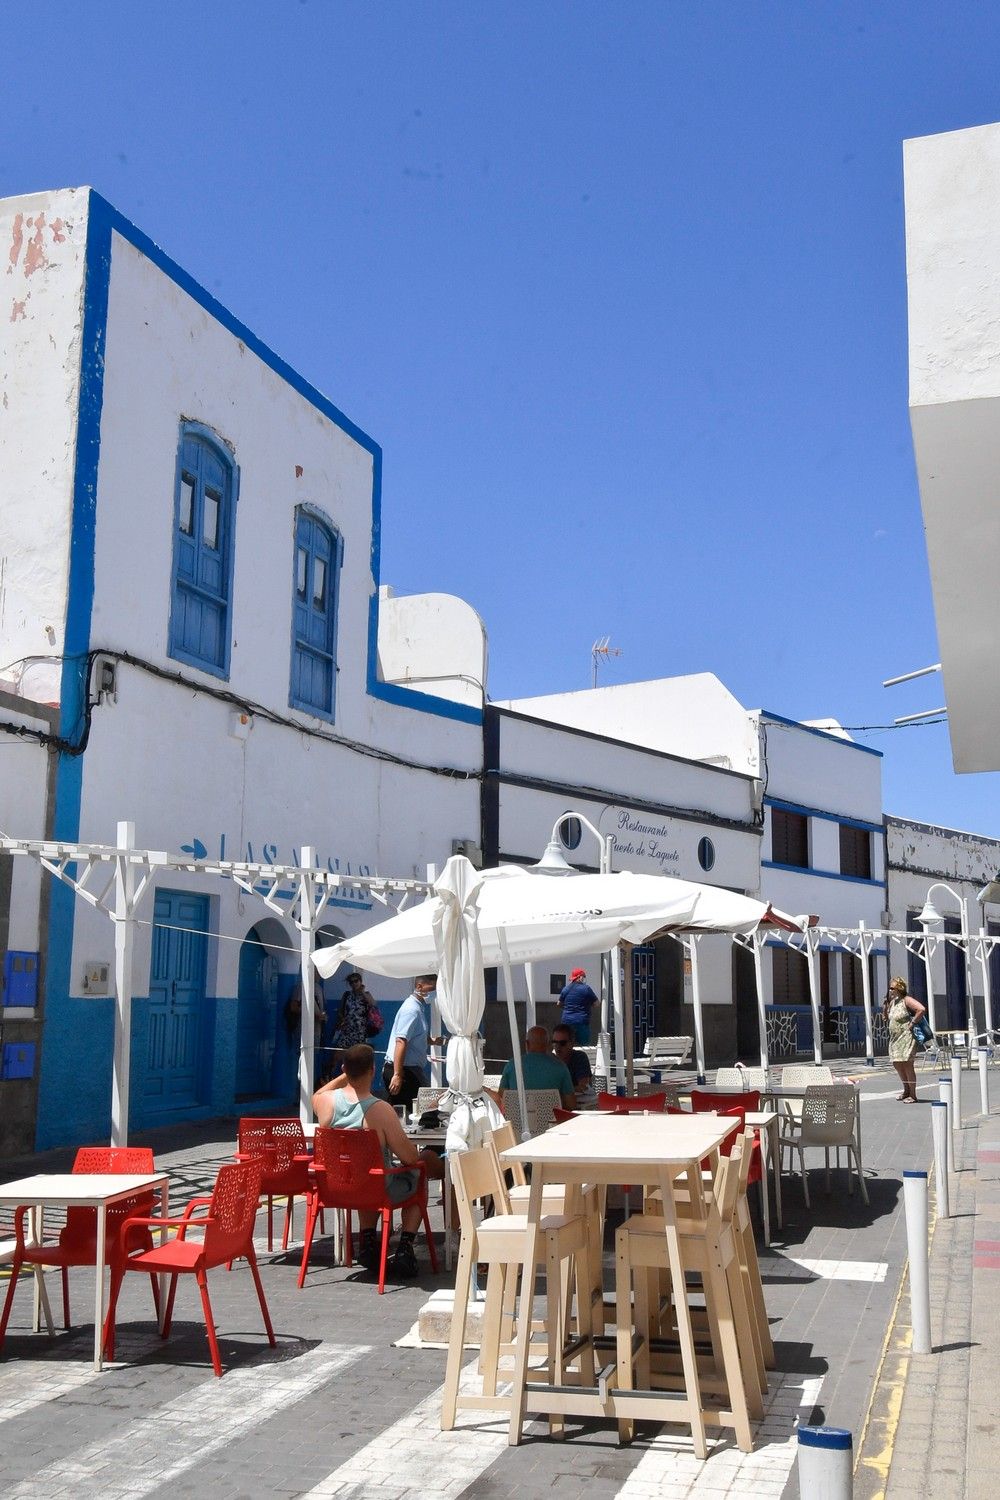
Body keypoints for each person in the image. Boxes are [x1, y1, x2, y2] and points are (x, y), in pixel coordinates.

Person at [312, 1043, 444, 1276]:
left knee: (366, 1175)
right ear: (373, 1070)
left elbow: (318, 1094)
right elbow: (410, 1157)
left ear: (345, 1069)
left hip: (335, 1188)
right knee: (417, 1173)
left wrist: (346, 1074)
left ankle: (369, 1241)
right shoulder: (381, 1110)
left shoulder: (326, 1103)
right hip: (375, 1188)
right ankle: (404, 1247)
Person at [382, 974, 441, 1111]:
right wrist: (397, 1075)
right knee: (428, 1111)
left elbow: (414, 1037)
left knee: (409, 1111)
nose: (435, 992)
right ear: (419, 987)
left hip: (408, 1069)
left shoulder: (418, 1007)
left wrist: (433, 1041)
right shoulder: (411, 1010)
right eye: (433, 988)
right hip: (404, 1070)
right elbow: (401, 1041)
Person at [500, 1025, 576, 1110]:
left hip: (518, 1121)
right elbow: (571, 1105)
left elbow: (502, 1099)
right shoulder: (561, 1067)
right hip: (552, 1121)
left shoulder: (512, 1065)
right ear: (547, 1044)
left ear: (527, 1044)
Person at [883, 975, 926, 1102]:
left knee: (907, 1064)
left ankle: (913, 1094)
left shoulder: (906, 1000)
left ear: (899, 989)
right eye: (890, 988)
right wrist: (885, 1006)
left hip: (906, 1037)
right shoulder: (892, 1002)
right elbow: (885, 1018)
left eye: (892, 988)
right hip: (895, 1039)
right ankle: (906, 1090)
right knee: (897, 1064)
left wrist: (912, 1023)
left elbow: (921, 1009)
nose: (890, 990)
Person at [328, 972, 376, 1076]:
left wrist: (362, 992)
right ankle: (328, 1077)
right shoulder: (347, 995)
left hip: (360, 1032)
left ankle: (356, 1080)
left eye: (356, 981)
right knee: (336, 1056)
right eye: (351, 982)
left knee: (358, 1058)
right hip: (347, 1030)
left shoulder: (366, 995)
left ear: (360, 981)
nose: (354, 984)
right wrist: (342, 1020)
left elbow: (373, 1004)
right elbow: (341, 1010)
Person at [551, 1023, 594, 1102]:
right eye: (554, 1042)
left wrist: (557, 1091)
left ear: (572, 1043)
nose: (557, 1046)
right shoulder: (551, 1060)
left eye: (562, 1043)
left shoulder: (579, 1057)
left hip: (579, 1105)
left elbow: (583, 1087)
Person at [558, 968, 599, 1045]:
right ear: (580, 977)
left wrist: (568, 1007)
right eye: (584, 976)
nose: (584, 978)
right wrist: (587, 1004)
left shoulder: (566, 989)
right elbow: (597, 1003)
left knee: (566, 1045)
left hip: (566, 1021)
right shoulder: (586, 988)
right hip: (581, 1022)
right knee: (583, 1047)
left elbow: (559, 1003)